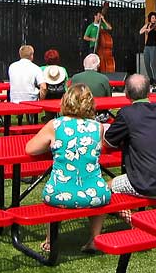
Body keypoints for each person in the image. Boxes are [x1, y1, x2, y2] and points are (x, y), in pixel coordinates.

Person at [24, 84, 111, 254]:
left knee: (54, 187)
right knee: (98, 185)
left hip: (59, 193)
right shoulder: (97, 127)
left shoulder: (55, 125)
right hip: (96, 195)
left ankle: (50, 240)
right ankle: (95, 238)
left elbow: (30, 149)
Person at [105, 75, 156, 201]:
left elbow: (108, 142)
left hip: (147, 185)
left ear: (126, 93)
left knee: (105, 188)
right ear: (149, 92)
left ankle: (127, 214)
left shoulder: (126, 113)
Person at [137, 11, 156, 85]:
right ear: (150, 19)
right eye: (152, 18)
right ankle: (151, 78)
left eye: (155, 18)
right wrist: (146, 30)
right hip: (147, 46)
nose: (154, 19)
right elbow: (140, 32)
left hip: (154, 46)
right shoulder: (147, 25)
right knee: (146, 63)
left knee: (153, 63)